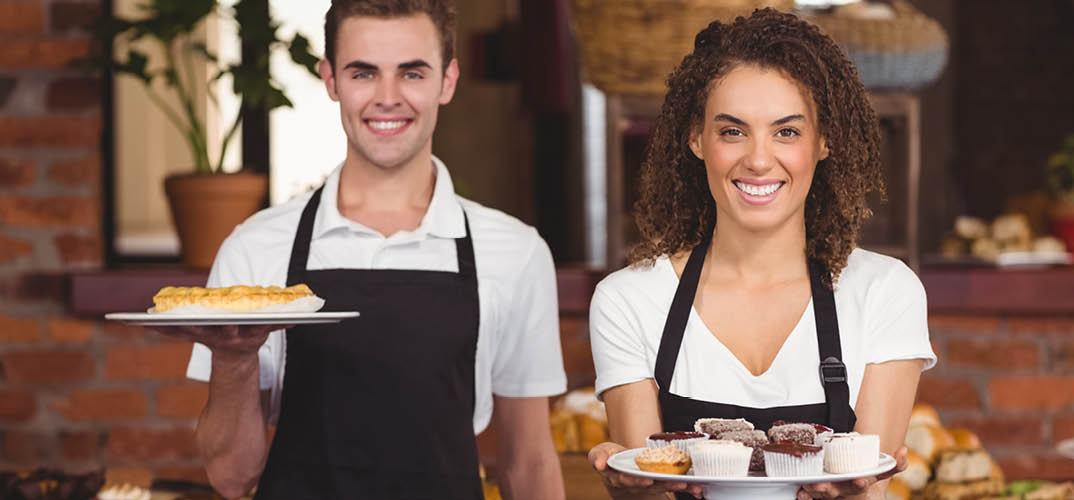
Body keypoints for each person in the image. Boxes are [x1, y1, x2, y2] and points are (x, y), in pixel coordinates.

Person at [156, 1, 568, 498]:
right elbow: (230, 476)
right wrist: (235, 357)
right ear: (330, 80)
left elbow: (529, 462)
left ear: (448, 80)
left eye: (412, 73)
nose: (388, 98)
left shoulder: (514, 253)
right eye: (363, 73)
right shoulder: (257, 248)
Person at [586, 9, 935, 500]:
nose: (757, 158)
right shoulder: (630, 300)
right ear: (696, 138)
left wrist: (855, 493)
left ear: (824, 141)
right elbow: (648, 479)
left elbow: (868, 490)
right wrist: (631, 490)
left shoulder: (885, 293)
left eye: (787, 132)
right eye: (732, 131)